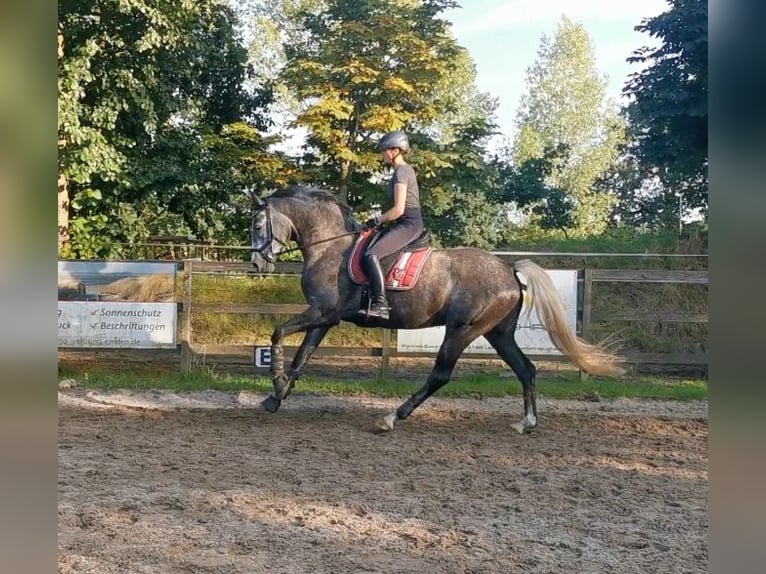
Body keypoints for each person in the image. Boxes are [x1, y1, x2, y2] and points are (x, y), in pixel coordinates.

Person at [359, 130, 425, 320]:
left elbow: (398, 210)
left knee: (371, 255)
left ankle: (380, 304)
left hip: (409, 224)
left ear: (396, 150)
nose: (382, 154)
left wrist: (377, 220)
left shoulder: (402, 172)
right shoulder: (400, 172)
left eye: (384, 150)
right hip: (403, 223)